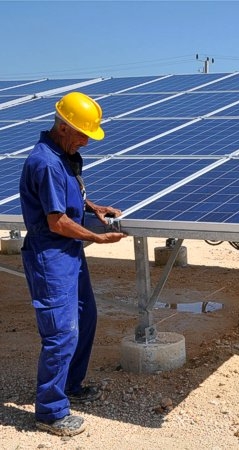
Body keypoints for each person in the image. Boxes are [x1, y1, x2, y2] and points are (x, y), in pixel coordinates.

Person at [19, 92, 127, 436]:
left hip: (68, 254)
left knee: (85, 318)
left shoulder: (63, 156)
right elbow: (56, 221)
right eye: (82, 134)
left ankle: (72, 386)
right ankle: (50, 412)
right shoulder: (47, 163)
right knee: (61, 332)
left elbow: (68, 199)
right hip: (50, 255)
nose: (86, 141)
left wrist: (92, 207)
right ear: (63, 127)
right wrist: (96, 237)